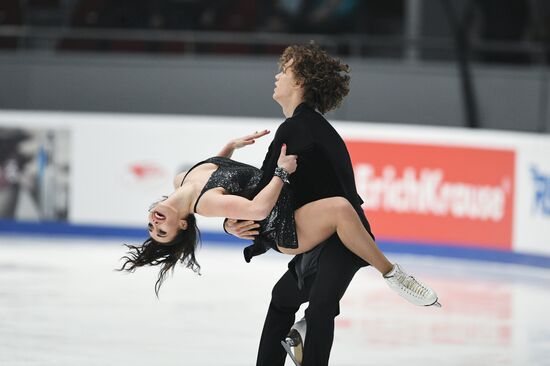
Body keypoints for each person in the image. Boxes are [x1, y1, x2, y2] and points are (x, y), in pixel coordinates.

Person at [222, 43, 439, 366]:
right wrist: (239, 223)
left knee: (321, 305)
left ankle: (394, 275)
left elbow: (264, 191)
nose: (277, 75)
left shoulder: (297, 127)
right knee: (284, 298)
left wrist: (233, 220)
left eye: (285, 70)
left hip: (345, 238)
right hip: (324, 235)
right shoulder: (308, 126)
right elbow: (274, 193)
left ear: (300, 82)